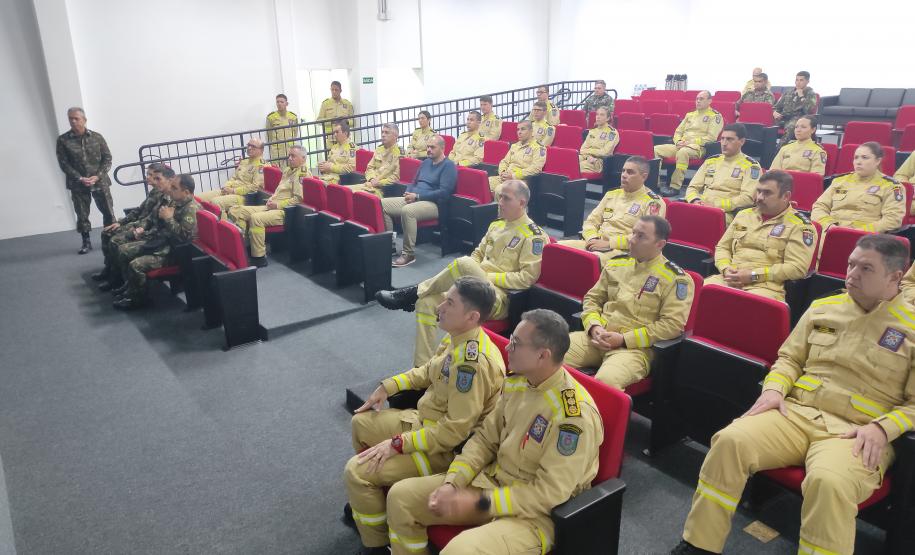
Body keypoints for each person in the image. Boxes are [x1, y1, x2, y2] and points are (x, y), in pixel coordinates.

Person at [671, 234, 915, 555]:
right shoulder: (823, 308)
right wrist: (774, 389)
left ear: (895, 277)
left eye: (866, 268)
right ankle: (699, 545)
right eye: (851, 264)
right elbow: (789, 359)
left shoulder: (910, 327)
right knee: (730, 441)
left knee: (828, 483)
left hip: (857, 433)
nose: (852, 274)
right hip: (797, 414)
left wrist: (883, 428)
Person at [385, 309, 602, 555]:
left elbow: (548, 494)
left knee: (458, 552)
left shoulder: (572, 417)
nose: (508, 347)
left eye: (516, 344)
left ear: (543, 355)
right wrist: (453, 483)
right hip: (491, 484)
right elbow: (485, 440)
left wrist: (484, 502)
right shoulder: (519, 382)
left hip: (533, 516)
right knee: (400, 498)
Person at [344, 277, 506, 555]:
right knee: (360, 423)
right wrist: (389, 385)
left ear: (472, 316)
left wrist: (397, 444)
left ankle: (376, 544)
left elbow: (451, 434)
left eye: (449, 303)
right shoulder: (456, 337)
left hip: (444, 450)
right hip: (424, 423)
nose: (440, 306)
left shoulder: (473, 364)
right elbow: (428, 371)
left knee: (356, 471)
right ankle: (375, 505)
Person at [376, 180, 544, 367]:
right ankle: (422, 370)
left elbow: (527, 278)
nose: (500, 202)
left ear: (522, 203)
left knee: (464, 263)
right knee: (426, 302)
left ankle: (413, 292)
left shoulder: (533, 236)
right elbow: (478, 254)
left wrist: (485, 276)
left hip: (499, 299)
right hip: (475, 288)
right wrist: (475, 276)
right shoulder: (496, 226)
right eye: (499, 197)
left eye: (506, 198)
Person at [564, 216, 693, 389]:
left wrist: (624, 339)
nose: (632, 240)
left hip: (634, 350)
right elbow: (592, 299)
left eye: (641, 236)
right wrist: (594, 327)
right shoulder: (617, 264)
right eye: (633, 233)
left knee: (605, 384)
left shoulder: (676, 279)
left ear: (660, 244)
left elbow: (672, 325)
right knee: (548, 354)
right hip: (598, 337)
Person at [705, 170, 817, 301]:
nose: (759, 197)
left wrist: (753, 275)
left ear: (786, 196)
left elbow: (797, 268)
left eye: (767, 193)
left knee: (746, 307)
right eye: (758, 191)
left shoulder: (801, 226)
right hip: (729, 278)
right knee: (699, 293)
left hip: (766, 287)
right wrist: (725, 269)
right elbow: (722, 247)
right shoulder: (744, 215)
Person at [113, 174, 199, 310]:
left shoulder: (191, 209)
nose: (170, 189)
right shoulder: (176, 202)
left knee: (136, 265)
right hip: (162, 243)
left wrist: (168, 219)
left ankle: (138, 299)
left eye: (174, 187)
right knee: (124, 250)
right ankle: (131, 288)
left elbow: (184, 238)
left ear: (186, 192)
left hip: (175, 252)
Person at [560, 156, 665, 264]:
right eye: (623, 171)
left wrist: (609, 243)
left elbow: (645, 237)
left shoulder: (653, 203)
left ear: (644, 177)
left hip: (624, 252)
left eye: (630, 172)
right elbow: (591, 221)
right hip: (595, 242)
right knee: (554, 249)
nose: (624, 175)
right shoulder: (612, 194)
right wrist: (592, 239)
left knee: (585, 261)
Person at [228, 145, 310, 267]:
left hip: (285, 211)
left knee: (256, 218)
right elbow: (279, 191)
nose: (290, 158)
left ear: (303, 158)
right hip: (271, 206)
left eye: (293, 156)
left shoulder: (302, 174)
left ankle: (259, 257)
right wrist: (272, 201)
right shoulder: (288, 170)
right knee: (236, 210)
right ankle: (245, 248)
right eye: (289, 155)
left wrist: (278, 204)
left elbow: (298, 199)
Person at [95, 164, 173, 291]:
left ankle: (119, 280)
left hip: (151, 234)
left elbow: (159, 225)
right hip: (144, 226)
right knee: (108, 233)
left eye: (155, 177)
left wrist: (140, 231)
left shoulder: (167, 197)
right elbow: (142, 211)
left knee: (116, 242)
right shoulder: (156, 192)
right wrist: (122, 222)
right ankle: (111, 271)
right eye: (149, 175)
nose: (149, 178)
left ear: (169, 180)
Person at [384, 136, 457, 267]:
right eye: (428, 147)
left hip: (434, 204)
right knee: (382, 204)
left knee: (407, 211)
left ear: (442, 148)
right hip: (414, 197)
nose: (428, 150)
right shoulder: (425, 163)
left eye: (432, 147)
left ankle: (408, 253)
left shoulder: (449, 166)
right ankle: (390, 245)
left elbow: (444, 192)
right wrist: (408, 192)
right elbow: (414, 182)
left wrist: (417, 196)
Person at [56, 107, 115, 254]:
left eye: (76, 118)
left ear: (84, 120)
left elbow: (107, 158)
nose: (73, 121)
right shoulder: (63, 140)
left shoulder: (97, 137)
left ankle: (110, 239)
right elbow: (64, 164)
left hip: (99, 182)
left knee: (108, 211)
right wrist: (80, 178)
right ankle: (86, 242)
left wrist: (98, 175)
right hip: (78, 184)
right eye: (70, 118)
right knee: (82, 214)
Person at [811, 142, 904, 233]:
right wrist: (829, 225)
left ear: (877, 161)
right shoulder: (839, 181)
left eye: (865, 157)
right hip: (831, 232)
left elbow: (893, 219)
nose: (858, 162)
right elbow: (819, 207)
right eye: (856, 158)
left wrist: (862, 231)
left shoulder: (891, 186)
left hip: (866, 238)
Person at [684, 123, 762, 224]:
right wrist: (695, 201)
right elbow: (692, 187)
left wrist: (716, 205)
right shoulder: (711, 161)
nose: (724, 143)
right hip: (700, 206)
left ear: (742, 141)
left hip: (727, 213)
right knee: (677, 215)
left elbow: (747, 199)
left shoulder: (751, 166)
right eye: (722, 139)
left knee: (704, 221)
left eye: (730, 139)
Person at [654, 91, 723, 197]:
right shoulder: (690, 115)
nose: (698, 101)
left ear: (709, 101)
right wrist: (678, 141)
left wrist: (689, 142)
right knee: (655, 150)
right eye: (697, 99)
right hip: (681, 145)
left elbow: (711, 138)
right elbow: (678, 132)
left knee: (683, 152)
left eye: (702, 99)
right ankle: (655, 184)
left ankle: (675, 187)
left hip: (699, 148)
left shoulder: (715, 116)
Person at [195, 138, 266, 215]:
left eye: (253, 146)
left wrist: (233, 191)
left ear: (261, 150)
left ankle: (221, 226)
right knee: (198, 198)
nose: (249, 148)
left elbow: (255, 187)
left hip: (244, 196)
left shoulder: (261, 166)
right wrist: (226, 187)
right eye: (248, 145)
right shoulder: (244, 162)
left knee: (215, 202)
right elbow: (234, 178)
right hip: (230, 190)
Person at [487, 121, 546, 196]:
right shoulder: (514, 146)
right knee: (484, 183)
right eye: (518, 130)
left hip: (521, 181)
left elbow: (536, 168)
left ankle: (500, 207)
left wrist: (513, 176)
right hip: (506, 177)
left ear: (531, 131)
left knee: (500, 189)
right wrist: (503, 172)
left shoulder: (538, 147)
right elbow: (504, 161)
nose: (519, 132)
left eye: (523, 129)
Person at [350, 123, 402, 198]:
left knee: (356, 195)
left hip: (381, 190)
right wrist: (372, 179)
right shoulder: (379, 149)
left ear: (395, 136)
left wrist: (378, 183)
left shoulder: (399, 153)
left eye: (386, 132)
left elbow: (395, 177)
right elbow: (369, 168)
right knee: (345, 191)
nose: (383, 135)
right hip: (369, 184)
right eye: (382, 132)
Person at [773, 71, 817, 143]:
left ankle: (779, 150)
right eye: (797, 80)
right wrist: (774, 112)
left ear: (807, 81)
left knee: (792, 127)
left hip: (798, 119)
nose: (798, 82)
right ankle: (766, 149)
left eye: (801, 80)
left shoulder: (811, 94)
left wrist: (801, 96)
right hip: (783, 117)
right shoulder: (788, 92)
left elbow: (809, 110)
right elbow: (776, 106)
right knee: (766, 125)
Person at [578, 106, 619, 174]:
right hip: (586, 157)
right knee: (569, 162)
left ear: (608, 118)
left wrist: (589, 152)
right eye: (597, 114)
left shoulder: (612, 133)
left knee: (576, 167)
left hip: (598, 161)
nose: (598, 117)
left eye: (602, 115)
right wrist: (588, 156)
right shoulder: (592, 131)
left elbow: (605, 152)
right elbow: (582, 150)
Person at [265, 94, 299, 167]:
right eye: (277, 102)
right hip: (277, 149)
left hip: (290, 148)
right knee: (277, 169)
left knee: (291, 168)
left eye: (282, 102)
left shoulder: (293, 116)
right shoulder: (271, 117)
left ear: (286, 103)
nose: (279, 104)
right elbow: (269, 133)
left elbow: (295, 132)